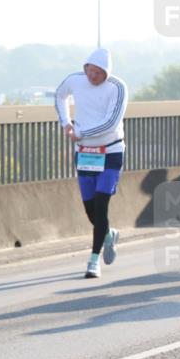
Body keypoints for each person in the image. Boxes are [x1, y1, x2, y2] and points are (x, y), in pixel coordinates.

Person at [55, 48, 128, 279]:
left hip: (110, 152)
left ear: (107, 72)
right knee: (90, 209)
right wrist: (66, 123)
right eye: (90, 70)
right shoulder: (75, 81)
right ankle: (108, 234)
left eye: (98, 72)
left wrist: (81, 132)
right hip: (85, 153)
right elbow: (59, 95)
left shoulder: (117, 87)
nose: (93, 76)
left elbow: (110, 123)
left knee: (102, 205)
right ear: (85, 67)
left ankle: (93, 260)